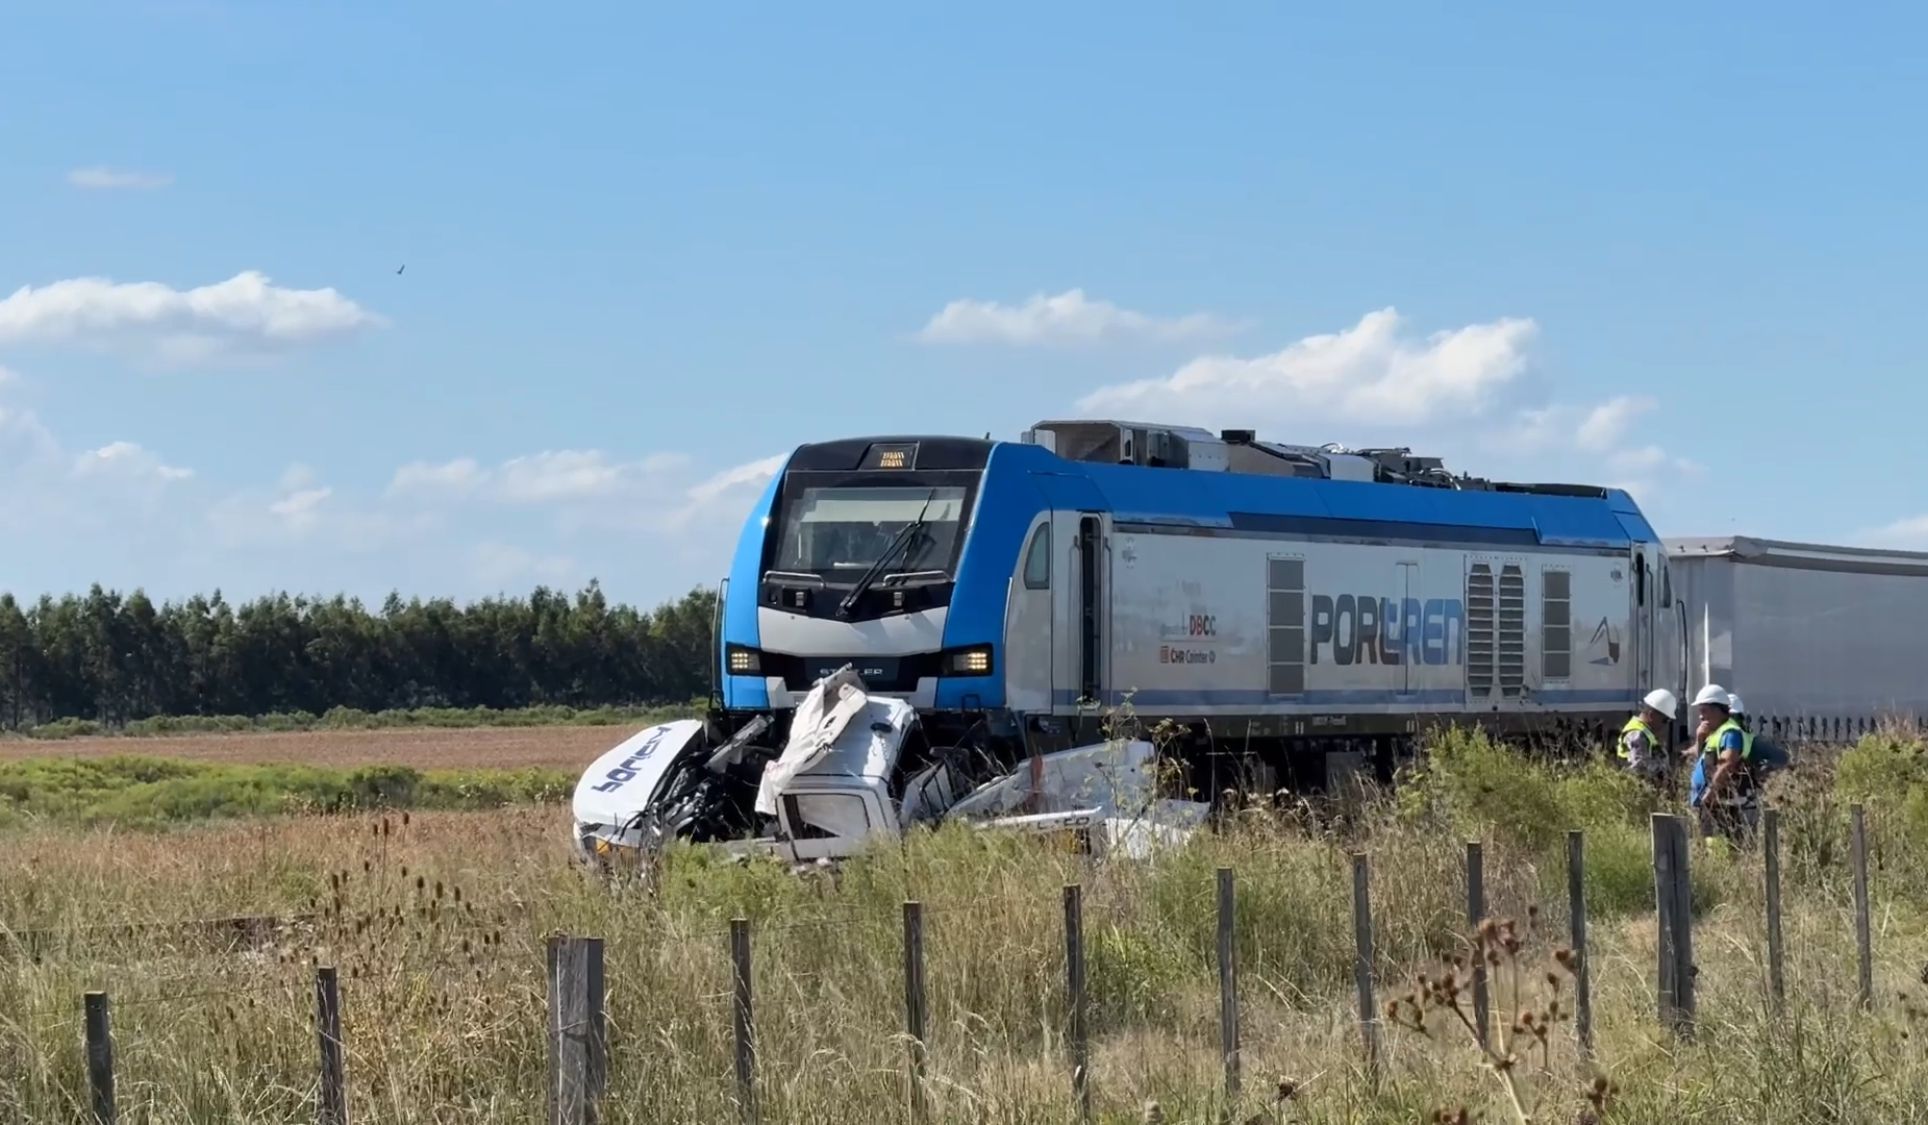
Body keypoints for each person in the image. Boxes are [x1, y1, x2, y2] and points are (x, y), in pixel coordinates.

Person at [1684, 684, 1761, 843]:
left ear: (1716, 710)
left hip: (1722, 803)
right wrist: (1700, 739)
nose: (1700, 716)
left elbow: (1728, 763)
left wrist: (1711, 792)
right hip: (1713, 803)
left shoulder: (1730, 733)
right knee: (1710, 845)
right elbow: (1702, 759)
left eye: (1703, 710)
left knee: (1719, 846)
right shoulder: (1716, 733)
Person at [1618, 688, 1677, 785]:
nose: (1665, 725)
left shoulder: (1645, 732)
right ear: (1652, 715)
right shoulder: (1638, 733)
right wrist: (1661, 768)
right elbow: (1640, 766)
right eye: (1665, 720)